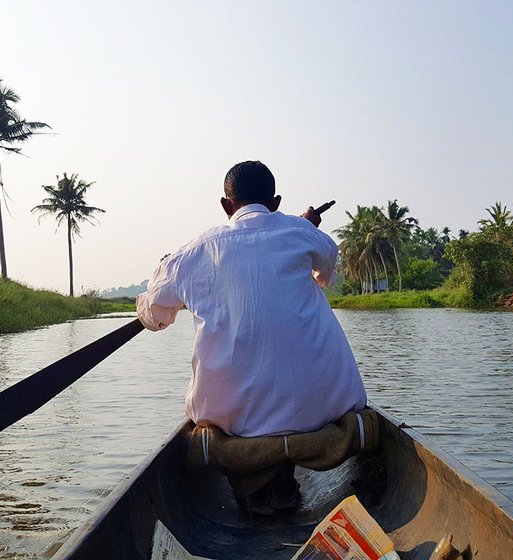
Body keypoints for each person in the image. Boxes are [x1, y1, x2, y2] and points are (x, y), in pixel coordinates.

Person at [136, 160, 368, 511]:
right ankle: (280, 478)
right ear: (275, 202)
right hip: (323, 408)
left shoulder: (195, 251)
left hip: (233, 417)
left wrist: (162, 275)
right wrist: (303, 228)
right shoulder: (303, 233)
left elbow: (153, 318)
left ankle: (255, 480)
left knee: (219, 418)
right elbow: (324, 275)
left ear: (226, 206)